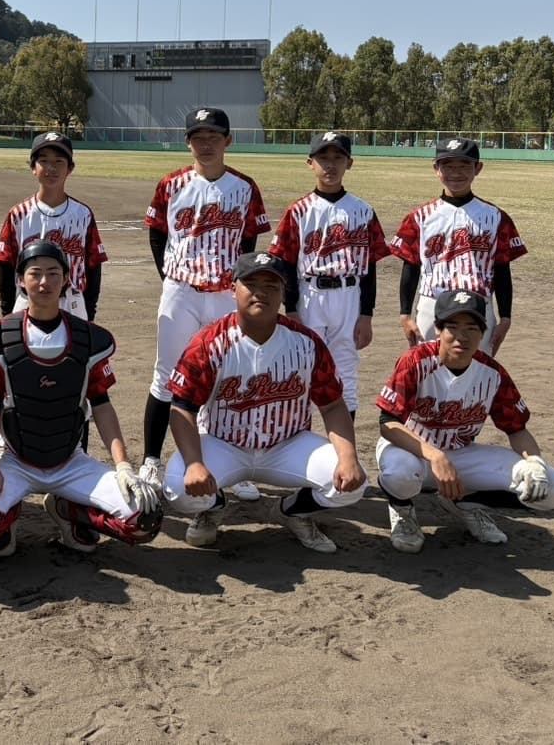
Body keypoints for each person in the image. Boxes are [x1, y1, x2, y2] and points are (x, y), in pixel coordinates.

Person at [0, 240, 162, 559]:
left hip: (70, 461)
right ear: (20, 280)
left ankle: (67, 510)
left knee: (145, 519)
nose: (44, 282)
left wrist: (123, 466)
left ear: (66, 278)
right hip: (16, 460)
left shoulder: (88, 338)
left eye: (53, 273)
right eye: (35, 273)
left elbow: (102, 405)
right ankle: (6, 523)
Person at [163, 251, 367, 553]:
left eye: (271, 286)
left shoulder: (306, 342)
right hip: (223, 444)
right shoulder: (209, 342)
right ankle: (212, 506)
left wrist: (348, 457)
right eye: (251, 284)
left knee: (354, 483)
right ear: (233, 289)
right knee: (178, 486)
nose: (261, 293)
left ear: (283, 293)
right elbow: (182, 408)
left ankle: (292, 511)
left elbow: (332, 405)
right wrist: (194, 464)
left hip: (288, 446)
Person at [139, 107, 269, 503]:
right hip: (181, 292)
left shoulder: (245, 187)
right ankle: (151, 460)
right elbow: (157, 234)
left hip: (227, 295)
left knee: (228, 379)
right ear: (188, 142)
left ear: (229, 141)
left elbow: (249, 245)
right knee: (166, 375)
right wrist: (171, 277)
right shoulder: (171, 185)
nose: (206, 144)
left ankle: (231, 464)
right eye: (198, 137)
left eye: (214, 136)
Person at [375, 290, 554, 553]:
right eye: (452, 327)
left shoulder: (493, 374)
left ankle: (465, 502)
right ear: (438, 329)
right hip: (410, 450)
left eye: (471, 328)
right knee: (399, 474)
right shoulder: (415, 361)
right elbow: (387, 422)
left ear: (482, 333)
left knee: (552, 488)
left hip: (462, 454)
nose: (461, 336)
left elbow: (516, 429)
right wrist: (434, 455)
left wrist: (534, 462)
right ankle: (402, 509)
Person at [268, 131, 391, 415]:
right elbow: (285, 264)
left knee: (345, 371)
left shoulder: (362, 211)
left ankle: (344, 441)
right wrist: (291, 308)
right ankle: (302, 438)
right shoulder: (298, 211)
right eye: (323, 158)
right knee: (303, 367)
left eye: (338, 158)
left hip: (350, 295)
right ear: (310, 163)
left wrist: (367, 314)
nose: (330, 165)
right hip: (309, 294)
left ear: (350, 163)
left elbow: (369, 266)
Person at [392, 137, 526, 355]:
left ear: (478, 168)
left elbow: (502, 269)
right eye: (448, 165)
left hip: (478, 306)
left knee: (476, 370)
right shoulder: (419, 217)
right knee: (428, 370)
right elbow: (411, 266)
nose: (456, 173)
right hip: (432, 304)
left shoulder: (496, 217)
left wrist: (506, 317)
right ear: (436, 169)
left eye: (464, 165)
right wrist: (405, 314)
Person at [0, 132, 107, 319]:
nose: (51, 168)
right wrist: (7, 315)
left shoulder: (83, 214)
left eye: (59, 161)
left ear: (70, 168)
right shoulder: (19, 214)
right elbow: (5, 266)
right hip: (28, 301)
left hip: (72, 302)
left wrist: (89, 312)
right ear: (33, 167)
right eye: (44, 161)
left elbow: (93, 266)